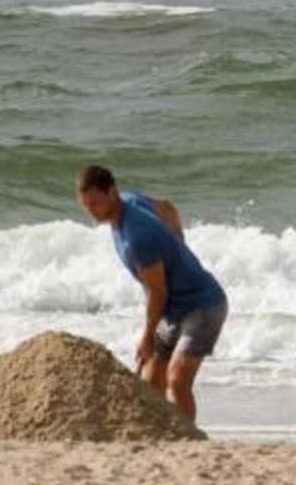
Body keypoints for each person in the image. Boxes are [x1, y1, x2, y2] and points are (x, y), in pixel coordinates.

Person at [74, 163, 228, 424]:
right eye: (86, 205)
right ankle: (156, 439)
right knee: (149, 384)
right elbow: (168, 207)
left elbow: (158, 292)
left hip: (202, 305)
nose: (92, 212)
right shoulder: (129, 200)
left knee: (177, 379)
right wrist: (177, 244)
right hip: (173, 308)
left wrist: (147, 336)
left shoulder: (137, 238)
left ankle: (188, 442)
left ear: (112, 192)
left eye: (96, 204)